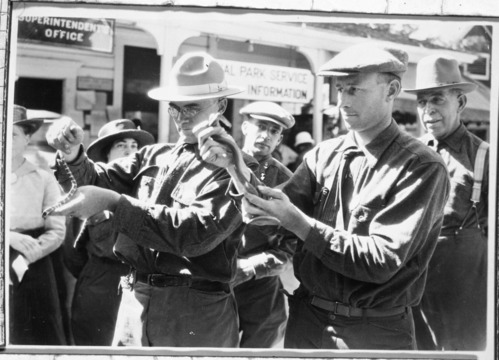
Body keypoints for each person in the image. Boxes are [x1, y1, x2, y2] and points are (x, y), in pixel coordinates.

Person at [196, 43, 450, 350]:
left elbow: (381, 260)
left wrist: (298, 223)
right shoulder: (324, 155)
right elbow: (266, 218)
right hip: (308, 321)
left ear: (391, 89)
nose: (342, 101)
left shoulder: (420, 166)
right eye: (340, 89)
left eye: (354, 90)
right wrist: (234, 165)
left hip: (373, 331)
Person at [45, 52, 255, 347]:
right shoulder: (154, 155)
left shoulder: (235, 168)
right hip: (136, 299)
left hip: (194, 310)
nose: (182, 118)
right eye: (175, 109)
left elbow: (194, 234)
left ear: (221, 105)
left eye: (192, 107)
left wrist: (114, 204)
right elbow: (95, 178)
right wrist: (73, 154)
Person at [404, 54, 489, 351]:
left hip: (463, 281)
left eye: (438, 100)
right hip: (416, 278)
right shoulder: (410, 154)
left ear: (460, 103)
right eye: (422, 102)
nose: (428, 111)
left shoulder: (484, 157)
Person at [67, 119, 155, 346]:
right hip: (101, 284)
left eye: (134, 146)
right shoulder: (91, 193)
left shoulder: (151, 191)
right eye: (121, 146)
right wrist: (96, 275)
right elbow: (71, 252)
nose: (129, 151)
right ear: (106, 156)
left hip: (142, 284)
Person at [235, 101, 297, 348]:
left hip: (259, 284)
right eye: (261, 126)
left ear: (280, 140)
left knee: (259, 350)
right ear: (246, 127)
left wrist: (253, 266)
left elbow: (293, 242)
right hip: (211, 281)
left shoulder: (286, 181)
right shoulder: (218, 164)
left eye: (274, 131)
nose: (266, 136)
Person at [9, 104, 67, 345]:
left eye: (13, 134)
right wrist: (7, 237)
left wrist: (27, 256)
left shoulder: (43, 178)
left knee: (35, 331)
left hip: (32, 261)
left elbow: (57, 229)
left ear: (27, 139)